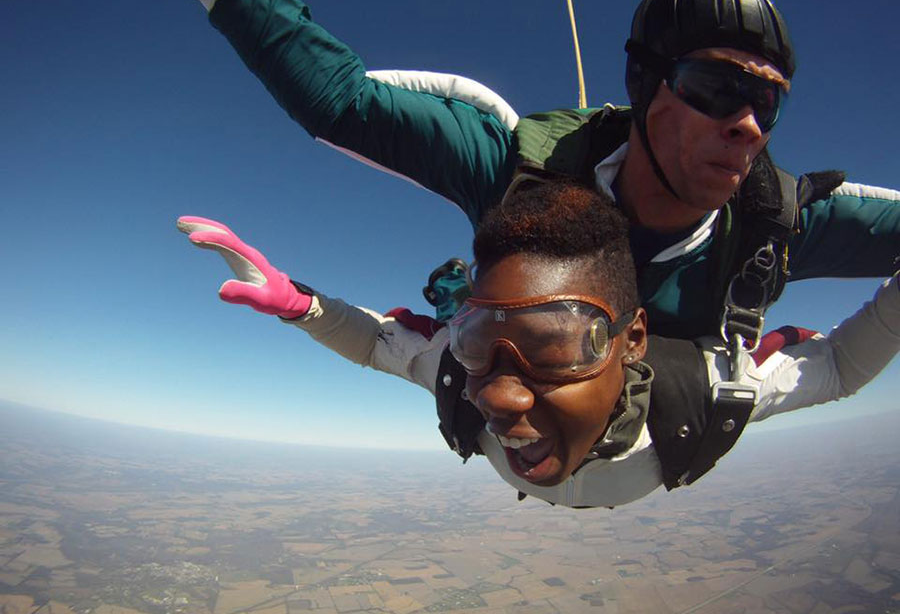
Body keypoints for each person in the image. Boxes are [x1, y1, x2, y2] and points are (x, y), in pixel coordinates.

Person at [160, 0, 900, 342]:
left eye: (767, 102)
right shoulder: (515, 172)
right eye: (715, 86)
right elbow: (344, 105)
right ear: (647, 88)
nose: (746, 124)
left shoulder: (775, 226)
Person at [177, 182, 900, 508]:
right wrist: (298, 303)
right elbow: (378, 340)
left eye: (556, 346)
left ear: (632, 340)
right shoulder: (458, 379)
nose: (495, 392)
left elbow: (831, 362)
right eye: (477, 338)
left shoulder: (708, 390)